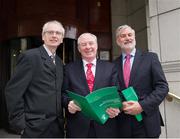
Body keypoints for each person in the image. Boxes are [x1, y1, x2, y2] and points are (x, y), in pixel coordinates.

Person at [5, 20, 65, 138]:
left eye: (58, 33)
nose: (54, 35)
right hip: (34, 128)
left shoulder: (59, 62)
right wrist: (20, 125)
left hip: (57, 128)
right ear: (43, 36)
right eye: (50, 32)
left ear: (62, 38)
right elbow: (13, 91)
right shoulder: (30, 57)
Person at [114, 25, 169, 138]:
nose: (127, 38)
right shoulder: (113, 65)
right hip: (123, 124)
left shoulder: (150, 58)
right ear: (118, 41)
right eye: (123, 36)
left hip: (147, 122)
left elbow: (162, 87)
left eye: (130, 35)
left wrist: (141, 105)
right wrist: (120, 104)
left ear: (134, 37)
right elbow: (115, 91)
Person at [62, 33, 120, 138]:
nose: (88, 47)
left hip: (106, 125)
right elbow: (63, 94)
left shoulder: (111, 68)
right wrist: (68, 103)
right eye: (83, 44)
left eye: (91, 43)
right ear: (79, 48)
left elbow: (118, 92)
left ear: (96, 46)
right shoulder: (68, 69)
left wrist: (116, 108)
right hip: (78, 128)